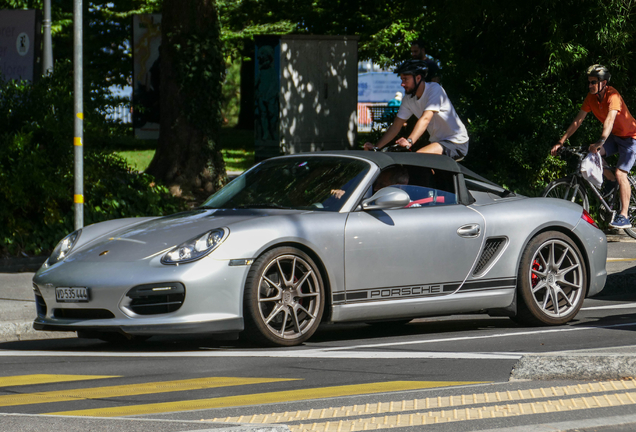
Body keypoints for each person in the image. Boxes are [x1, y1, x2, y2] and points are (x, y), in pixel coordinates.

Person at [551, 64, 636, 229]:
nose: (590, 85)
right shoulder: (591, 98)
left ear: (603, 83)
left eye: (593, 82)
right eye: (589, 82)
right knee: (594, 156)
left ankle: (624, 216)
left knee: (621, 172)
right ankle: (610, 181)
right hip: (615, 137)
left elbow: (610, 121)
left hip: (631, 138)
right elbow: (578, 121)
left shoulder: (613, 96)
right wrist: (561, 141)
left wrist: (601, 141)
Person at [363, 60, 469, 160]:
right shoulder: (408, 99)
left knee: (419, 158)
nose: (402, 84)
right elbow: (396, 126)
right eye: (401, 79)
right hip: (437, 142)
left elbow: (426, 118)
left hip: (456, 142)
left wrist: (409, 141)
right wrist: (376, 148)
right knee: (421, 169)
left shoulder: (434, 89)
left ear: (418, 78)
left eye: (406, 79)